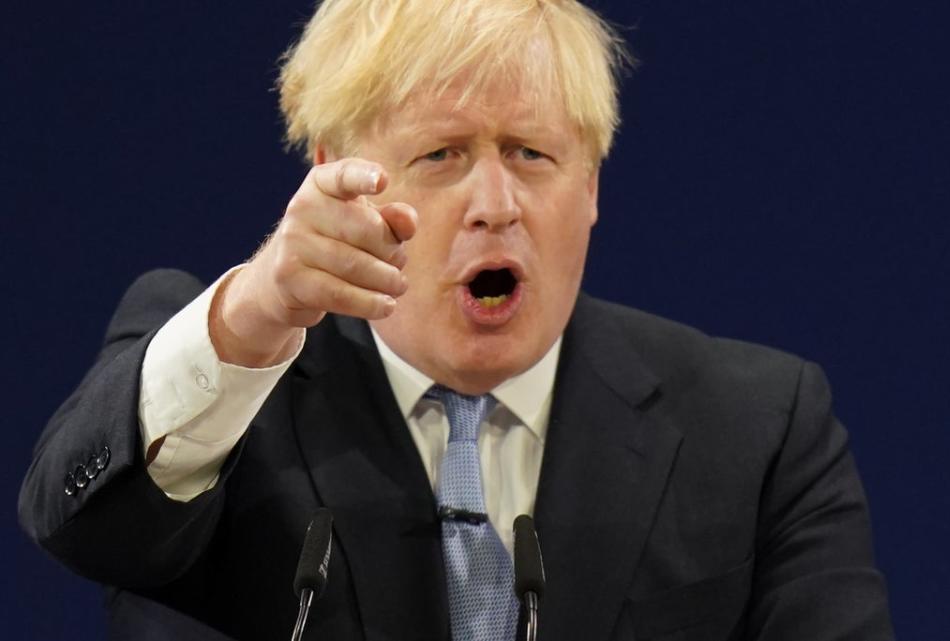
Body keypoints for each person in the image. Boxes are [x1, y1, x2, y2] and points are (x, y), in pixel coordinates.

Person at [18, 1, 895, 639]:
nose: (494, 204)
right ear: (337, 173)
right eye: (442, 154)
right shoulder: (226, 375)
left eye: (532, 153)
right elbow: (79, 523)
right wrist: (255, 314)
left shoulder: (758, 427)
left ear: (590, 183)